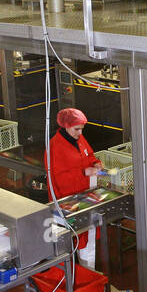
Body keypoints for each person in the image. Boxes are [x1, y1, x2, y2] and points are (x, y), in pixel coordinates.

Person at [45, 108, 102, 269]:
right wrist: (84, 172)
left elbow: (88, 155)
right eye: (77, 129)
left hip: (85, 196)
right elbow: (59, 178)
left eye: (82, 129)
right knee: (69, 241)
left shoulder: (79, 139)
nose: (80, 133)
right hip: (67, 201)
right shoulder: (55, 147)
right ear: (65, 126)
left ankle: (88, 271)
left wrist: (95, 163)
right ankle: (71, 275)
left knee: (87, 236)